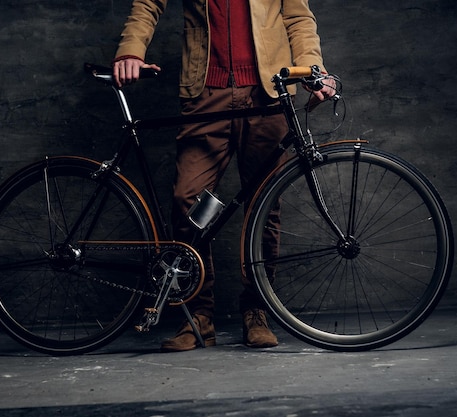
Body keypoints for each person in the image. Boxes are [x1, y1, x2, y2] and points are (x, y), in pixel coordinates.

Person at [112, 0, 337, 352]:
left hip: (267, 94)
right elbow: (148, 4)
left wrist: (311, 68)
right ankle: (197, 317)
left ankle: (256, 310)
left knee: (264, 206)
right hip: (205, 94)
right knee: (188, 201)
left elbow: (297, 17)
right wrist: (131, 51)